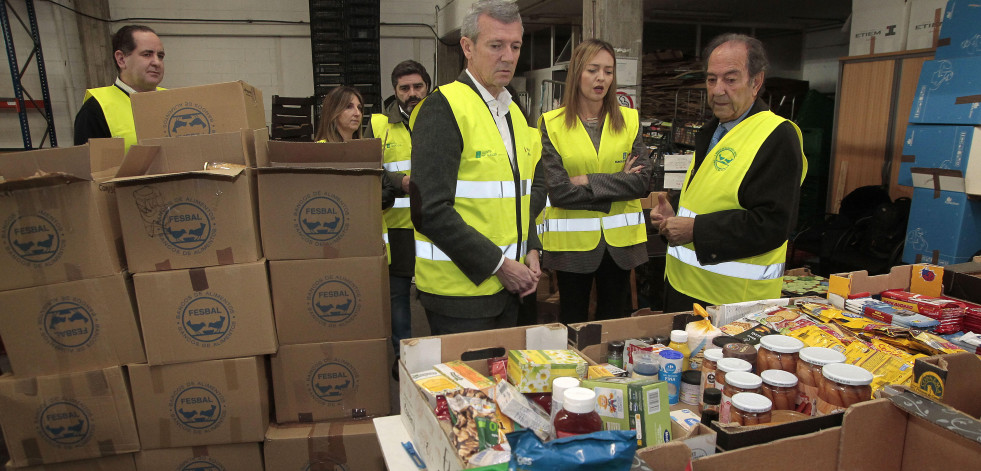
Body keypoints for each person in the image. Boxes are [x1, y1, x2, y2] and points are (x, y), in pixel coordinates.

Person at [409, 0, 545, 335]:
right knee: (469, 388)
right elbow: (430, 210)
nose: (508, 56)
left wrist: (531, 247)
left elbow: (521, 195)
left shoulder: (513, 113)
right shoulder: (443, 108)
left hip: (511, 289)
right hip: (459, 296)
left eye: (515, 46)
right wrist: (499, 265)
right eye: (496, 45)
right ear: (467, 47)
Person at [650, 33, 807, 312]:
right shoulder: (712, 132)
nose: (718, 89)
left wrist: (696, 230)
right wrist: (673, 218)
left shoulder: (775, 136)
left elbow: (771, 225)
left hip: (734, 304)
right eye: (712, 79)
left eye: (730, 79)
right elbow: (710, 197)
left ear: (756, 82)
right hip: (684, 289)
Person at [538, 39, 651, 324]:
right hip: (572, 247)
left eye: (609, 71)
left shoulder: (629, 120)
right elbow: (560, 192)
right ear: (577, 73)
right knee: (572, 321)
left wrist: (587, 179)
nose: (601, 78)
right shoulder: (552, 124)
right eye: (593, 70)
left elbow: (642, 182)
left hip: (620, 247)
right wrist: (618, 182)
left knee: (614, 322)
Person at [365, 60, 431, 354]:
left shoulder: (444, 119)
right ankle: (403, 358)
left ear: (427, 87)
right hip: (397, 225)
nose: (412, 93)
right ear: (395, 91)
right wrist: (400, 181)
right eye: (405, 88)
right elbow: (368, 167)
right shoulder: (380, 125)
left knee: (436, 294)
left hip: (436, 223)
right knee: (398, 297)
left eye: (418, 86)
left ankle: (438, 356)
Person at [74, 25, 165, 150]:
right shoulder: (96, 109)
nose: (157, 62)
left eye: (160, 56)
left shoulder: (172, 102)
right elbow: (91, 167)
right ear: (121, 59)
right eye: (147, 54)